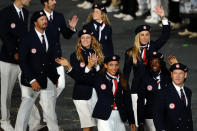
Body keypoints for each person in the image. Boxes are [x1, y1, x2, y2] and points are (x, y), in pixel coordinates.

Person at [56, 55, 136, 131]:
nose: (114, 68)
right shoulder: (99, 78)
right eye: (111, 65)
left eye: (116, 65)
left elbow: (128, 102)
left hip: (119, 117)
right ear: (105, 65)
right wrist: (69, 66)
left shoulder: (123, 80)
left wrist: (132, 121)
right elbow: (80, 79)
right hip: (104, 116)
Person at [123, 5, 170, 127]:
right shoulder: (130, 52)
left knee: (153, 121)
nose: (145, 37)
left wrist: (163, 17)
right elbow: (126, 74)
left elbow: (165, 36)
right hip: (136, 90)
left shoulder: (153, 47)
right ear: (137, 37)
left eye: (147, 34)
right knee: (138, 123)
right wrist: (124, 92)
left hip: (151, 90)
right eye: (142, 35)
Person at [14, 11, 60, 131]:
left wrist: (55, 77)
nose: (45, 21)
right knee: (25, 109)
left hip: (47, 79)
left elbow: (51, 59)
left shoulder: (49, 36)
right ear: (35, 23)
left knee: (50, 111)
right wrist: (32, 80)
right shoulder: (27, 38)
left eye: (45, 19)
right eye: (41, 19)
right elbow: (22, 61)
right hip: (30, 80)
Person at [0, 0, 30, 130]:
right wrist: (14, 53)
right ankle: (4, 121)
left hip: (23, 60)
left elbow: (25, 35)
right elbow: (4, 35)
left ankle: (34, 123)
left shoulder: (26, 12)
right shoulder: (5, 13)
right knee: (6, 93)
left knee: (28, 93)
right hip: (8, 60)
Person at [38, 0, 78, 98]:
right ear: (45, 2)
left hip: (56, 56)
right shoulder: (38, 16)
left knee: (60, 85)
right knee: (44, 86)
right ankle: (46, 104)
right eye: (52, 0)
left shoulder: (59, 16)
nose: (55, 2)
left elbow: (66, 35)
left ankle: (45, 103)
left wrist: (71, 28)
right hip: (43, 58)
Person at [69, 26, 104, 131]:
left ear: (91, 39)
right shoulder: (75, 55)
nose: (85, 40)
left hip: (96, 92)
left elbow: (103, 73)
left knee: (94, 124)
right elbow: (78, 77)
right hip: (82, 94)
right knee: (87, 126)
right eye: (83, 38)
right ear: (80, 40)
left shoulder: (97, 52)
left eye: (87, 37)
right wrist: (88, 66)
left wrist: (96, 65)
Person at [137, 52, 178, 131]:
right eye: (152, 62)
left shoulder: (168, 77)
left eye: (157, 62)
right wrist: (140, 122)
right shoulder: (144, 79)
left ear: (161, 64)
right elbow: (140, 101)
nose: (154, 64)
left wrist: (175, 66)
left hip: (167, 115)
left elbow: (180, 82)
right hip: (150, 116)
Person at [154, 63, 193, 131]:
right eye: (175, 73)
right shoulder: (163, 93)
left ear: (185, 75)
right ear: (171, 75)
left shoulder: (188, 91)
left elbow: (188, 114)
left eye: (180, 73)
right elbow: (157, 116)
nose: (177, 76)